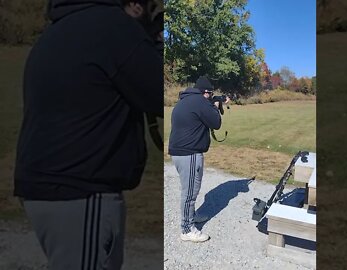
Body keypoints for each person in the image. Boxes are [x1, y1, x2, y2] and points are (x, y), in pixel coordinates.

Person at [13, 0, 163, 269]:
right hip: (80, 191)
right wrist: (153, 42)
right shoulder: (112, 26)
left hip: (49, 185)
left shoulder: (62, 27)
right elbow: (160, 94)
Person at [168, 76, 229, 242]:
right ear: (206, 92)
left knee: (188, 190)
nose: (210, 96)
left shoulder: (185, 100)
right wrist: (216, 106)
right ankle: (187, 229)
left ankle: (192, 216)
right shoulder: (200, 101)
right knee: (189, 193)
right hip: (190, 153)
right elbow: (216, 123)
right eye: (210, 93)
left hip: (179, 153)